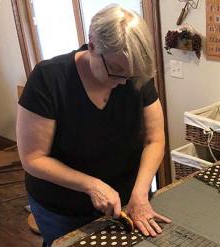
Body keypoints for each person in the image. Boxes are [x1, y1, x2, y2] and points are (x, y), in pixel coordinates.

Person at [16, 4, 170, 246]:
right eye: (116, 70)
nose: (123, 81)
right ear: (92, 44)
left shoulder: (133, 76)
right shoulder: (48, 79)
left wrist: (140, 192)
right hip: (63, 206)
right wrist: (91, 184)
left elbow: (155, 139)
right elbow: (33, 158)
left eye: (129, 75)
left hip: (127, 196)